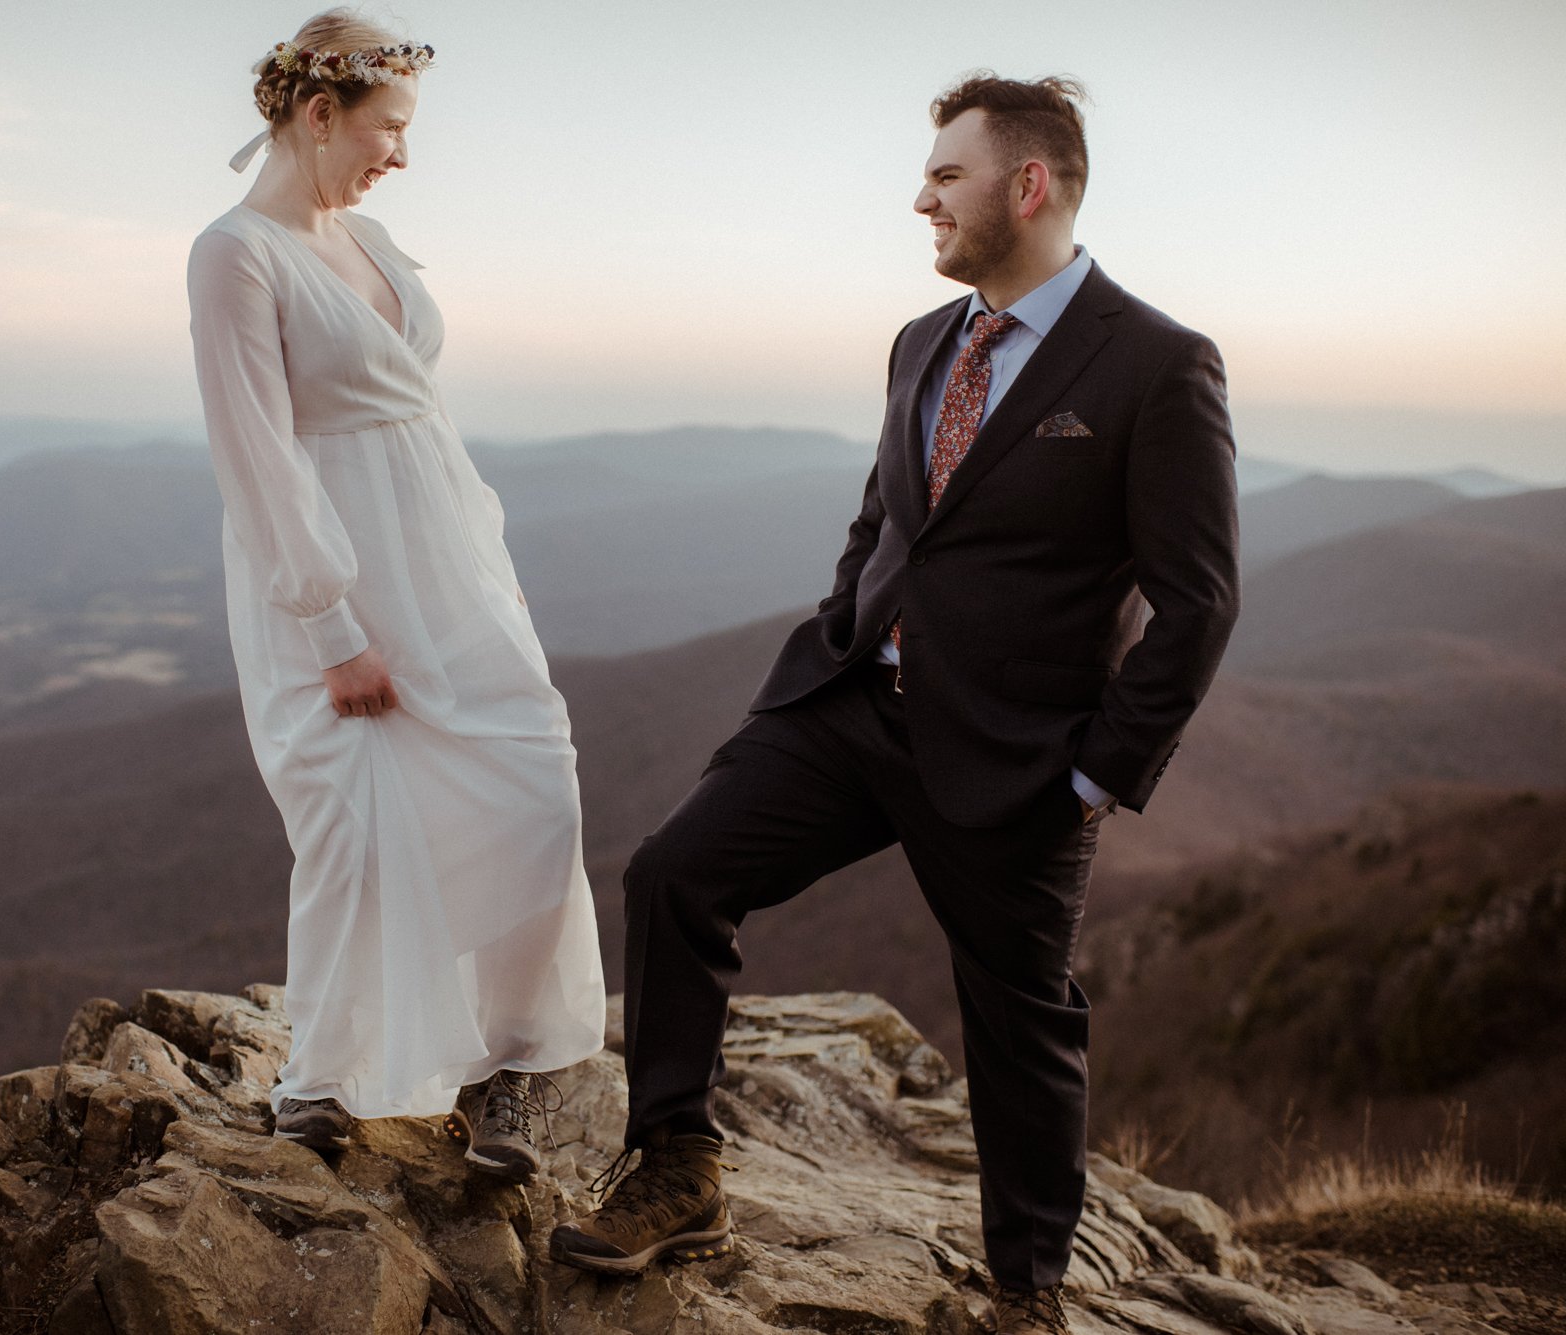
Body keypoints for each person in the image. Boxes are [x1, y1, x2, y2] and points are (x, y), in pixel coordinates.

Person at [549, 73, 1241, 1335]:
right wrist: (837, 637)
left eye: (944, 175)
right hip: (850, 709)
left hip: (1017, 759)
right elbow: (886, 525)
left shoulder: (1155, 363)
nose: (917, 198)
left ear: (1025, 186)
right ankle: (676, 1168)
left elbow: (1197, 601)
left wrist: (1095, 777)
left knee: (1019, 1020)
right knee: (673, 874)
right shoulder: (922, 342)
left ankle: (1026, 1288)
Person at [186, 8, 606, 1178]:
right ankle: (317, 1082)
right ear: (317, 115)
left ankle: (499, 1069)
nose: (401, 158)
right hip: (332, 582)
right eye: (389, 128)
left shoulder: (370, 243)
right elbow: (254, 454)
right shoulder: (235, 253)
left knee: (535, 789)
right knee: (355, 823)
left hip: (451, 573)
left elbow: (424, 425)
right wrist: (328, 624)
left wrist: (489, 571)